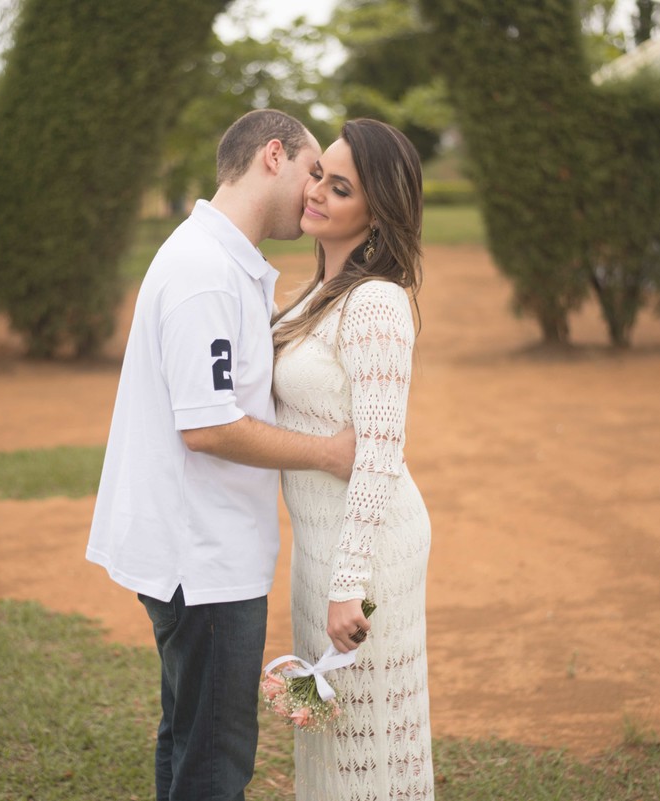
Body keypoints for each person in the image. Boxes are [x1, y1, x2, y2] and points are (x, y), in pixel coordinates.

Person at [86, 109, 356, 801]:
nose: (317, 190)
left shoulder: (217, 259)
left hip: (201, 551)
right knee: (215, 758)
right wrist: (327, 452)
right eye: (313, 171)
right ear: (274, 155)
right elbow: (207, 426)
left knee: (189, 736)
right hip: (201, 558)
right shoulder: (205, 270)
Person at [271, 119, 434, 799]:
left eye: (341, 189)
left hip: (366, 557)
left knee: (372, 745)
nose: (317, 194)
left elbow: (379, 453)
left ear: (377, 213)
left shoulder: (376, 303)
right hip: (319, 545)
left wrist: (348, 582)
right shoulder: (317, 295)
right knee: (329, 736)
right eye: (319, 176)